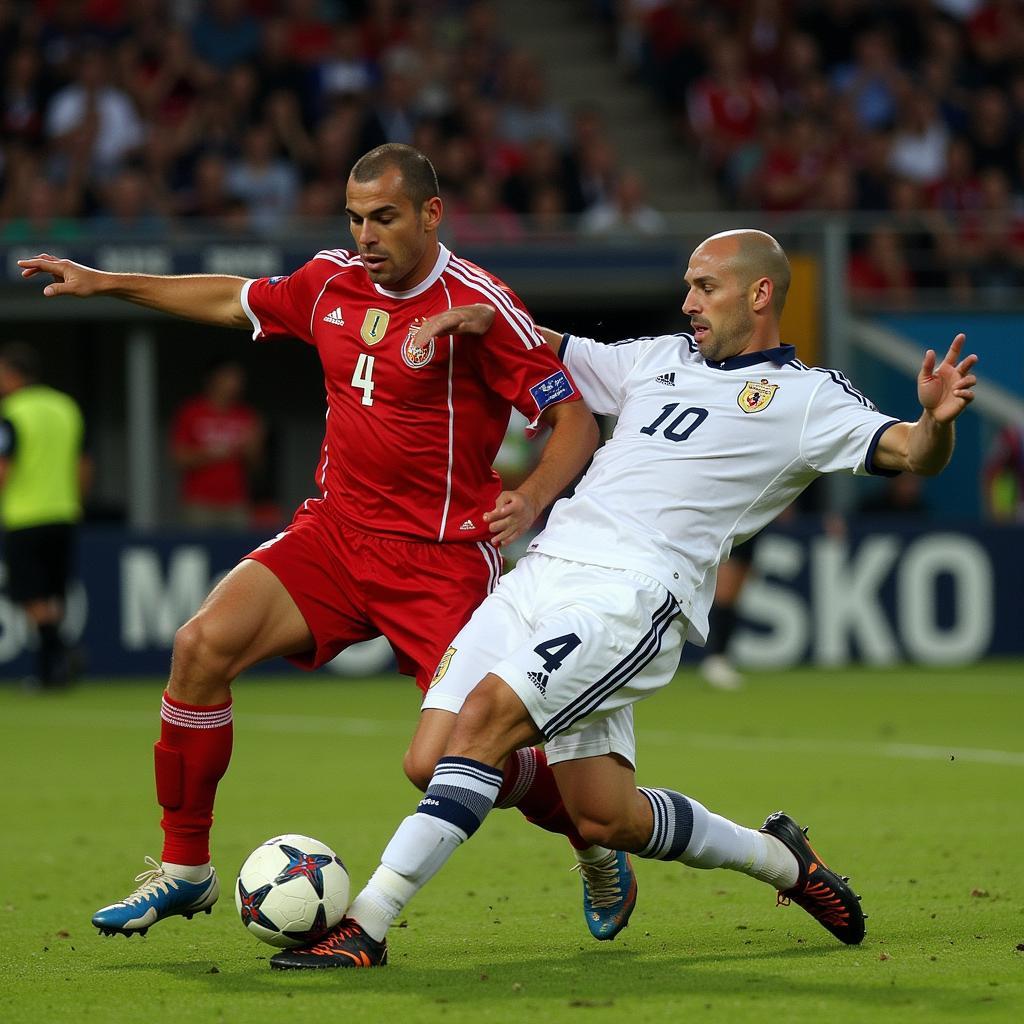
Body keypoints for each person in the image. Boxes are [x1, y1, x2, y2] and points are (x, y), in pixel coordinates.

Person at [265, 229, 978, 969]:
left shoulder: (806, 398)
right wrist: (482, 314)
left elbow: (910, 454)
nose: (688, 301)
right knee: (568, 805)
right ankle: (783, 861)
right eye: (688, 285)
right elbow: (547, 345)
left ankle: (367, 925)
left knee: (480, 726)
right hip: (540, 574)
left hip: (628, 601)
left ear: (760, 294)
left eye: (706, 287)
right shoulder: (656, 358)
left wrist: (935, 424)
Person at [18, 143, 608, 940]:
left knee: (471, 759)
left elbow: (573, 418)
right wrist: (108, 281)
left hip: (439, 563)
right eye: (357, 218)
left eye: (385, 218)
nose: (366, 235)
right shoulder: (328, 280)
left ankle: (594, 842)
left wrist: (533, 496)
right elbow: (233, 299)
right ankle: (186, 870)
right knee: (199, 646)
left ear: (432, 215)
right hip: (333, 535)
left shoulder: (482, 306)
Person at [0, 343, 90, 690]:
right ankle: (50, 672)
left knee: (28, 594)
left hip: (25, 516)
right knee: (53, 593)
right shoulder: (65, 406)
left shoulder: (13, 411)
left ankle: (59, 650)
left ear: (13, 374)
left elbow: (4, 466)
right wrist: (77, 502)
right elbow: (84, 463)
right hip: (63, 513)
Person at [170, 358, 264, 529]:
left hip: (236, 502)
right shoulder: (192, 412)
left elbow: (256, 465)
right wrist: (213, 453)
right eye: (229, 377)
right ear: (213, 379)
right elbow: (179, 458)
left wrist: (251, 447)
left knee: (239, 553)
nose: (235, 383)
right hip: (200, 503)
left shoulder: (246, 415)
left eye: (238, 378)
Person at [697, 537, 758, 690]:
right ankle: (716, 658)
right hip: (729, 527)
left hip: (749, 526)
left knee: (734, 595)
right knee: (725, 593)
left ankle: (720, 657)